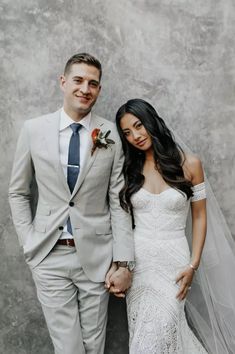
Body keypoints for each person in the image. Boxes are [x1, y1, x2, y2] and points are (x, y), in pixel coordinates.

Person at [8, 53, 135, 354]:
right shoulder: (33, 130)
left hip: (97, 258)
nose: (85, 89)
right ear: (63, 82)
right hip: (48, 255)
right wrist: (29, 242)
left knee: (94, 346)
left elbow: (119, 201)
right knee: (69, 349)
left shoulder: (111, 135)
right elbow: (18, 192)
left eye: (93, 83)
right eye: (78, 80)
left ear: (99, 90)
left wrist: (123, 260)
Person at [115, 98, 209, 353]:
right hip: (139, 261)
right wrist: (120, 265)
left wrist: (193, 265)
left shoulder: (190, 164)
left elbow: (199, 217)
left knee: (165, 327)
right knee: (143, 334)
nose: (135, 136)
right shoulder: (128, 169)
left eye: (138, 126)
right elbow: (119, 218)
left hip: (174, 262)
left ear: (151, 122)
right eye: (127, 133)